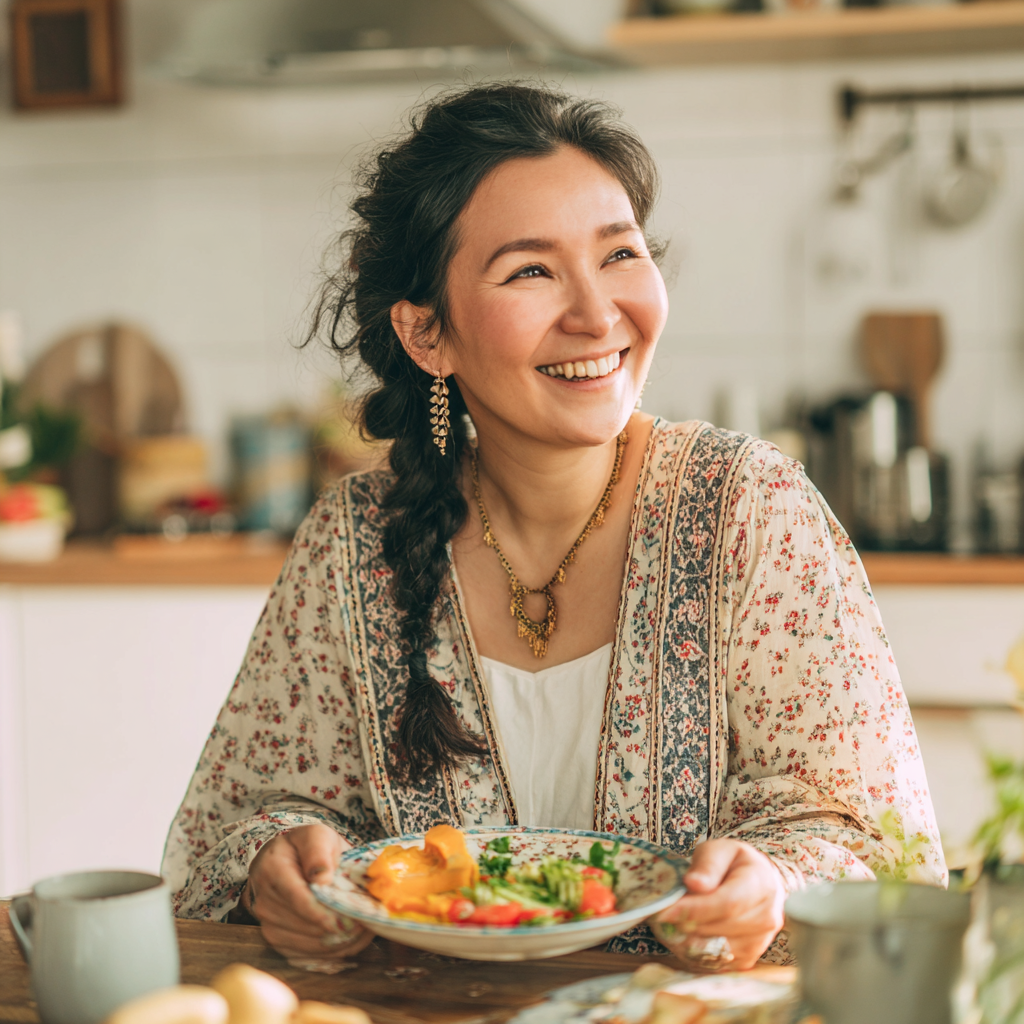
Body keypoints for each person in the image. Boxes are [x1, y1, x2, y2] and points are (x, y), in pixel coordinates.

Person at [162, 82, 945, 971]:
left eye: (619, 254)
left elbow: (881, 850)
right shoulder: (357, 541)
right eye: (532, 270)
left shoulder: (751, 512)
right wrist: (279, 867)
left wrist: (774, 882)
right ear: (426, 334)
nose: (598, 313)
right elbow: (232, 827)